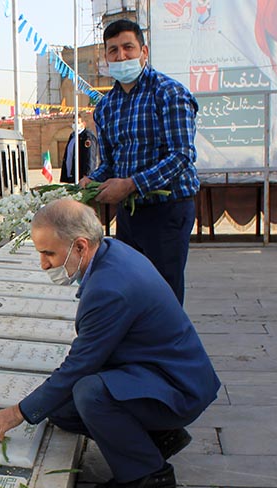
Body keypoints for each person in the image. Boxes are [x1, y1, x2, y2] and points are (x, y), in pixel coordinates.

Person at [0, 199, 220, 488]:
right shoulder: (111, 251)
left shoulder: (109, 289)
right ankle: (159, 437)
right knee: (60, 410)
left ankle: (148, 473)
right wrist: (38, 407)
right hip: (158, 372)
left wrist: (18, 412)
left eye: (49, 253)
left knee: (89, 393)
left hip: (177, 388)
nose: (43, 264)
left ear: (80, 246)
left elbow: (79, 366)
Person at [82, 19, 199, 305]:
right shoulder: (106, 106)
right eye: (113, 51)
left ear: (143, 52)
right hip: (129, 213)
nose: (121, 56)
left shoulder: (168, 93)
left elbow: (181, 155)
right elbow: (111, 164)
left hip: (168, 210)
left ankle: (169, 336)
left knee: (163, 293)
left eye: (128, 48)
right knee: (130, 290)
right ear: (106, 58)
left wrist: (132, 184)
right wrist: (92, 181)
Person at [59, 112, 95, 184]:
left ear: (83, 124)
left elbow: (89, 157)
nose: (75, 124)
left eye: (78, 122)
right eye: (74, 122)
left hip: (81, 176)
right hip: (71, 175)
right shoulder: (73, 136)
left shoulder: (87, 137)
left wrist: (87, 175)